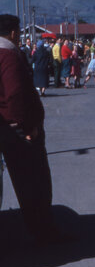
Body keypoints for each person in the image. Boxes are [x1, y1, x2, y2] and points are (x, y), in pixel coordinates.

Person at [0, 14, 64, 244]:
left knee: (24, 181)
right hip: (17, 128)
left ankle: (38, 227)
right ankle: (44, 231)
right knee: (35, 181)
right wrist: (28, 127)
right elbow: (15, 93)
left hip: (7, 126)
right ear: (15, 33)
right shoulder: (7, 55)